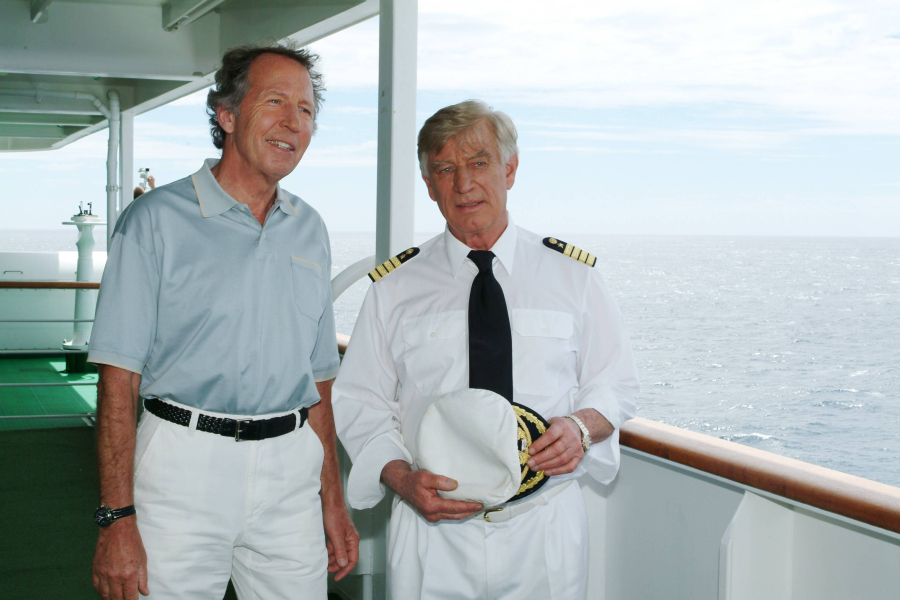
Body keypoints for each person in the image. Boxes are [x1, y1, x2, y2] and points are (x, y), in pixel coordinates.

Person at [332, 100, 640, 600]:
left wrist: (581, 429)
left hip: (544, 528)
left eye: (479, 163)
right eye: (445, 169)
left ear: (509, 169)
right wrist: (400, 477)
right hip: (433, 534)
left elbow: (616, 383)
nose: (463, 184)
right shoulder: (394, 288)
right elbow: (361, 401)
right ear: (428, 185)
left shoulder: (573, 277)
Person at [88, 42, 358, 600]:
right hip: (182, 465)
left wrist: (332, 501)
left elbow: (320, 382)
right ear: (227, 114)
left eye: (306, 110)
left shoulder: (310, 228)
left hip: (290, 471)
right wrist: (116, 517)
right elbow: (118, 379)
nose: (293, 122)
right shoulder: (154, 221)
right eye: (275, 101)